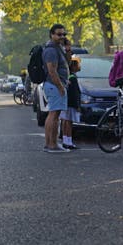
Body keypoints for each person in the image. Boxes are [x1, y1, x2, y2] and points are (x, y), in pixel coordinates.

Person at [42, 24, 70, 153]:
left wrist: (68, 49)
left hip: (55, 86)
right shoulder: (51, 50)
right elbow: (52, 71)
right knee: (54, 115)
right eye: (59, 34)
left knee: (53, 114)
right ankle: (52, 144)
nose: (62, 37)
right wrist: (60, 87)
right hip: (54, 86)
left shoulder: (59, 48)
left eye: (64, 34)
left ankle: (50, 144)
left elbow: (68, 64)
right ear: (52, 35)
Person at [60, 57, 81, 150]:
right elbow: (74, 93)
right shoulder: (73, 78)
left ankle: (65, 140)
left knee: (65, 121)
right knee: (69, 122)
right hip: (71, 104)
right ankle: (69, 141)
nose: (79, 66)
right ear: (73, 66)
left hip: (66, 102)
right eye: (78, 64)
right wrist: (77, 105)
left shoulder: (68, 77)